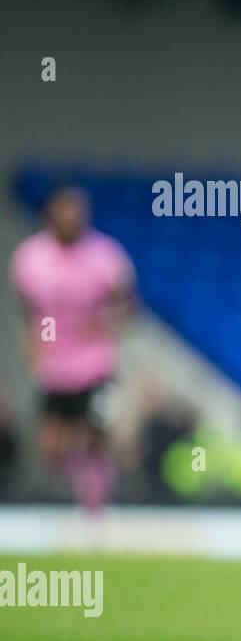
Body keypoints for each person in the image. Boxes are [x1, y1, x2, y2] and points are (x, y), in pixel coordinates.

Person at [10, 185, 135, 512]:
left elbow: (128, 305)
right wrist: (34, 346)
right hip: (54, 364)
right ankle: (74, 489)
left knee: (96, 438)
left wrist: (105, 323)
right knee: (51, 447)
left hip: (95, 363)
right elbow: (28, 312)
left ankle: (95, 508)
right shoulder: (30, 258)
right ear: (50, 214)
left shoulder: (106, 256)